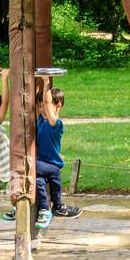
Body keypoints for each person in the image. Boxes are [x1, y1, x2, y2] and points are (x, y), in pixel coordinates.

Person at [34, 85, 81, 225]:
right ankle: (50, 209)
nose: (43, 109)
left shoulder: (57, 125)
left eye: (46, 106)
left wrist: (46, 80)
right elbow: (39, 103)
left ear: (58, 105)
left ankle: (54, 207)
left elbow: (48, 104)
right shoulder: (41, 121)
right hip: (43, 166)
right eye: (40, 107)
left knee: (35, 174)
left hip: (50, 165)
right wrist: (37, 87)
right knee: (38, 182)